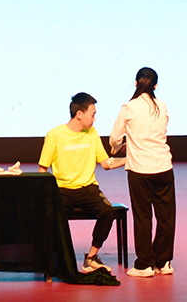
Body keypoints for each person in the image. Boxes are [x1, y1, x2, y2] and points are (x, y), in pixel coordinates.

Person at [38, 92, 125, 273]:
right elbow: (42, 169)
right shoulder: (54, 135)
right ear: (79, 114)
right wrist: (45, 196)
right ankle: (54, 258)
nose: (94, 119)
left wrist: (130, 158)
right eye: (92, 114)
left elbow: (106, 163)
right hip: (62, 189)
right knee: (48, 216)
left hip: (88, 188)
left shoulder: (92, 133)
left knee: (108, 212)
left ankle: (91, 257)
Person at [110, 67, 176, 278]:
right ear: (155, 85)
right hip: (163, 167)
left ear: (136, 83)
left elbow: (114, 138)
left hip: (140, 170)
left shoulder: (129, 107)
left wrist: (118, 148)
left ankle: (145, 264)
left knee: (143, 217)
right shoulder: (162, 106)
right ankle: (163, 262)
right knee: (166, 217)